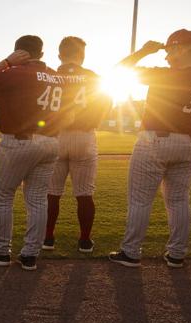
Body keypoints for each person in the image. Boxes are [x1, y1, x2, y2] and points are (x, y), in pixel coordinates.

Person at [107, 29, 191, 268]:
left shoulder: (171, 75)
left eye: (170, 50)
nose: (166, 56)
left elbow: (119, 70)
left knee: (140, 201)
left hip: (156, 140)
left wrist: (143, 51)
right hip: (187, 142)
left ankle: (131, 251)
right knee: (178, 200)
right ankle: (177, 254)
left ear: (183, 48)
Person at [0, 35, 67, 271]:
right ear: (41, 54)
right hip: (51, 141)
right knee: (37, 200)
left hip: (19, 140)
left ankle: (1, 251)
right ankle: (30, 255)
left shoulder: (15, 72)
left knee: (3, 197)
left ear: (18, 53)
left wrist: (6, 62)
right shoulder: (57, 77)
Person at [43, 36, 109, 253]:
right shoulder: (93, 77)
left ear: (60, 55)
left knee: (52, 192)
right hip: (84, 135)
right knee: (84, 193)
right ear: (82, 55)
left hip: (56, 136)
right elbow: (105, 104)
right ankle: (84, 240)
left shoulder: (50, 75)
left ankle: (48, 238)